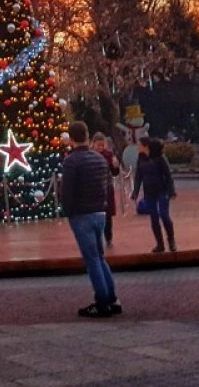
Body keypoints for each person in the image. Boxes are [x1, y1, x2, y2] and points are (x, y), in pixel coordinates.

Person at [62, 121, 122, 318]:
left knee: (92, 260)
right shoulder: (98, 159)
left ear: (71, 139)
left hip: (82, 214)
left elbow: (67, 191)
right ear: (87, 136)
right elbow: (106, 184)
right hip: (99, 212)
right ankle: (112, 298)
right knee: (100, 256)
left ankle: (102, 301)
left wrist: (67, 212)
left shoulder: (71, 161)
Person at [131, 137, 177, 253]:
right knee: (154, 218)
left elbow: (168, 175)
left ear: (146, 146)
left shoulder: (160, 158)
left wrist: (171, 190)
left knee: (164, 215)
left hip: (162, 190)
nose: (137, 147)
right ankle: (160, 244)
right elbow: (138, 177)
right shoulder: (140, 159)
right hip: (149, 192)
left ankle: (171, 241)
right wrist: (135, 192)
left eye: (139, 145)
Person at [91, 134, 121, 248]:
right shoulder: (90, 155)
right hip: (93, 189)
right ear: (93, 144)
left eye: (102, 145)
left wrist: (116, 166)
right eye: (98, 145)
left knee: (107, 216)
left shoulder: (109, 156)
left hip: (106, 188)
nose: (100, 147)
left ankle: (108, 238)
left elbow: (114, 172)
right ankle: (97, 238)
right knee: (95, 215)